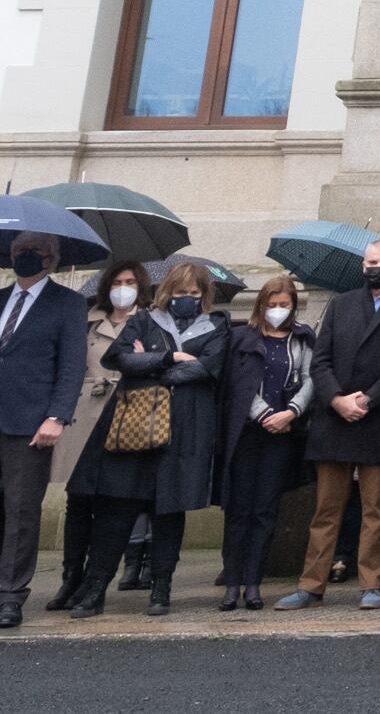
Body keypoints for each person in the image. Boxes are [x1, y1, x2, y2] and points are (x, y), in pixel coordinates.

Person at [64, 260, 224, 617]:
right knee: (116, 509)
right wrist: (169, 356)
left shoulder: (216, 326)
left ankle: (161, 589)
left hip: (183, 431)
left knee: (169, 511)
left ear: (204, 295)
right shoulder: (142, 319)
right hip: (135, 427)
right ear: (168, 291)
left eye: (194, 293)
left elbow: (207, 368)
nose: (186, 298)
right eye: (181, 292)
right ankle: (95, 589)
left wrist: (150, 362)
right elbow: (117, 358)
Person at [282, 237, 380, 611]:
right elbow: (321, 360)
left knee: (376, 511)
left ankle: (371, 583)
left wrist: (368, 398)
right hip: (335, 419)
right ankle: (311, 585)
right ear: (363, 265)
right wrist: (335, 398)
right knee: (326, 510)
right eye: (371, 262)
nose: (377, 268)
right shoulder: (341, 304)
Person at [0, 230, 86, 630]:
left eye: (34, 251)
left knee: (21, 510)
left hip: (31, 423)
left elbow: (71, 365)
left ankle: (11, 595)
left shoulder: (67, 303)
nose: (26, 256)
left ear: (51, 258)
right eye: (20, 250)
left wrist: (57, 416)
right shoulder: (0, 299)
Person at [46, 260, 140, 617]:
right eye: (117, 281)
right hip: (84, 413)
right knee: (79, 500)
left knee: (112, 502)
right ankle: (71, 577)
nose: (123, 287)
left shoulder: (147, 321)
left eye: (130, 281)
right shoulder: (86, 320)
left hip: (125, 415)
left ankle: (96, 582)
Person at [216, 274, 312, 612]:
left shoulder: (301, 340)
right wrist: (265, 413)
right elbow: (239, 384)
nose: (277, 310)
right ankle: (232, 583)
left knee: (265, 510)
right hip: (246, 434)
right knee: (239, 510)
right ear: (261, 305)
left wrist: (290, 413)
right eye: (272, 305)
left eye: (284, 305)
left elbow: (309, 379)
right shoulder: (242, 338)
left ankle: (254, 583)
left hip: (282, 436)